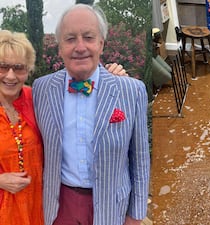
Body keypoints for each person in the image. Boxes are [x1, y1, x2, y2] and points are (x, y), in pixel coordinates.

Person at [32, 4, 150, 225]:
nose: (80, 47)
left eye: (88, 37)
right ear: (59, 48)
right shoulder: (41, 89)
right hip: (59, 207)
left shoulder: (131, 91)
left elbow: (140, 159)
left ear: (101, 44)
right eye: (70, 39)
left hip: (112, 207)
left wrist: (136, 215)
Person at [0, 30, 44, 225]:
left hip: (37, 207)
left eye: (18, 68)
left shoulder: (37, 99)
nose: (10, 76)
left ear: (28, 70)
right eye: (3, 66)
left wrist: (110, 75)